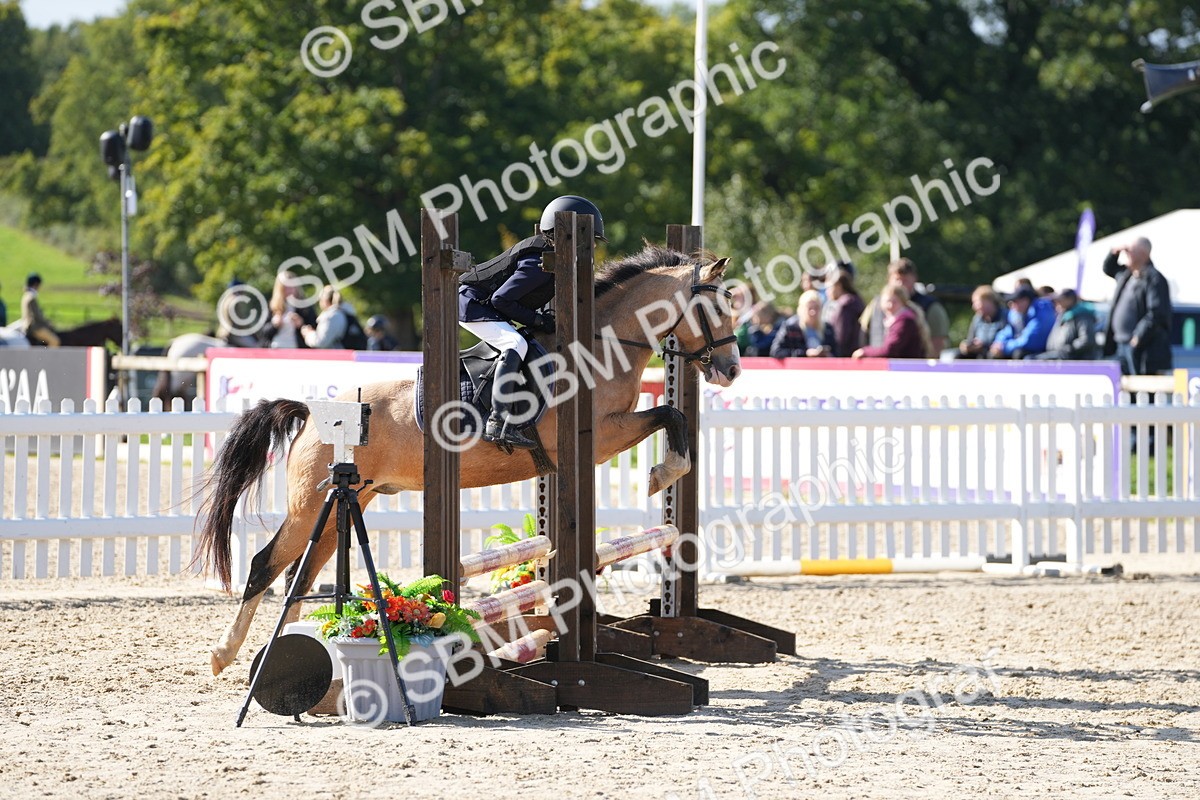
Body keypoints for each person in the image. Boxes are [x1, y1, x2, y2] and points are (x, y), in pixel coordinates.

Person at [458, 195, 605, 449]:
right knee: (514, 344)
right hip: (471, 304)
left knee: (524, 342)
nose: (589, 247)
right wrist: (538, 319)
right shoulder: (538, 263)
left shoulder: (549, 256)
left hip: (482, 304)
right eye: (587, 240)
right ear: (569, 235)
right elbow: (501, 300)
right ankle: (497, 420)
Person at [1101, 237, 1173, 376]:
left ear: (1143, 254)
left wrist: (1138, 336)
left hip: (1141, 347)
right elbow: (1108, 268)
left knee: (1141, 392)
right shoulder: (1126, 275)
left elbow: (1157, 312)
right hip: (1120, 345)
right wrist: (1114, 252)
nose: (1126, 254)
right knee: (1122, 391)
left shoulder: (1154, 279)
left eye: (1130, 251)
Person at [862, 258, 948, 354]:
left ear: (915, 279)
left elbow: (937, 343)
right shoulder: (876, 304)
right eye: (897, 279)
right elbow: (863, 333)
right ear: (889, 279)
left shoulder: (931, 306)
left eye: (905, 280)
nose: (900, 284)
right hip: (878, 364)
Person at [851, 285, 927, 359]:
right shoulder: (893, 320)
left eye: (895, 302)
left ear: (903, 303)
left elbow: (889, 350)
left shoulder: (904, 321)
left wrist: (864, 352)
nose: (890, 305)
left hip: (907, 369)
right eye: (887, 301)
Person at [990, 286, 1055, 359]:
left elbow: (1031, 341)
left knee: (1019, 354)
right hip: (1026, 349)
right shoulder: (1019, 313)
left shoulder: (1042, 312)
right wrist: (998, 343)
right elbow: (1008, 331)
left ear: (1025, 300)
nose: (1011, 305)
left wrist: (1004, 347)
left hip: (1042, 352)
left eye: (1015, 301)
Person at [1032, 288, 1098, 361]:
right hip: (1060, 358)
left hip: (1074, 362)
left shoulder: (1082, 316)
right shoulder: (1063, 316)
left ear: (1070, 300)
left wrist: (1068, 349)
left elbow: (1086, 340)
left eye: (1060, 300)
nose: (1056, 303)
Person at [770, 290, 836, 357]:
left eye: (816, 308)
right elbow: (776, 351)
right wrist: (805, 353)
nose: (813, 312)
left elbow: (837, 352)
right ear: (801, 309)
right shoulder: (790, 328)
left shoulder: (828, 329)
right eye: (809, 308)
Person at [262, 270, 317, 349]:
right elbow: (263, 333)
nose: (289, 290)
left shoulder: (305, 307)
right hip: (275, 348)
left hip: (297, 349)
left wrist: (301, 325)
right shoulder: (273, 306)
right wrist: (274, 325)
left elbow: (315, 329)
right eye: (285, 287)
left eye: (291, 286)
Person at [825, 265, 864, 357]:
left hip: (846, 356)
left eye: (829, 287)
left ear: (838, 286)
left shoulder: (845, 305)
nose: (827, 291)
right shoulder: (855, 300)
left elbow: (841, 336)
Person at [958, 286, 1007, 358]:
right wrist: (967, 346)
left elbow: (1005, 338)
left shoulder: (1005, 316)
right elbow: (970, 339)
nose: (974, 307)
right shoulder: (977, 318)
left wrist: (984, 345)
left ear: (989, 301)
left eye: (976, 302)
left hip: (996, 354)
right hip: (978, 353)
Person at [20, 274, 60, 347]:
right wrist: (48, 324)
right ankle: (48, 358)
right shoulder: (31, 297)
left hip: (27, 325)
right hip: (34, 327)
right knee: (54, 341)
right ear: (36, 284)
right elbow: (37, 315)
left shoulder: (26, 295)